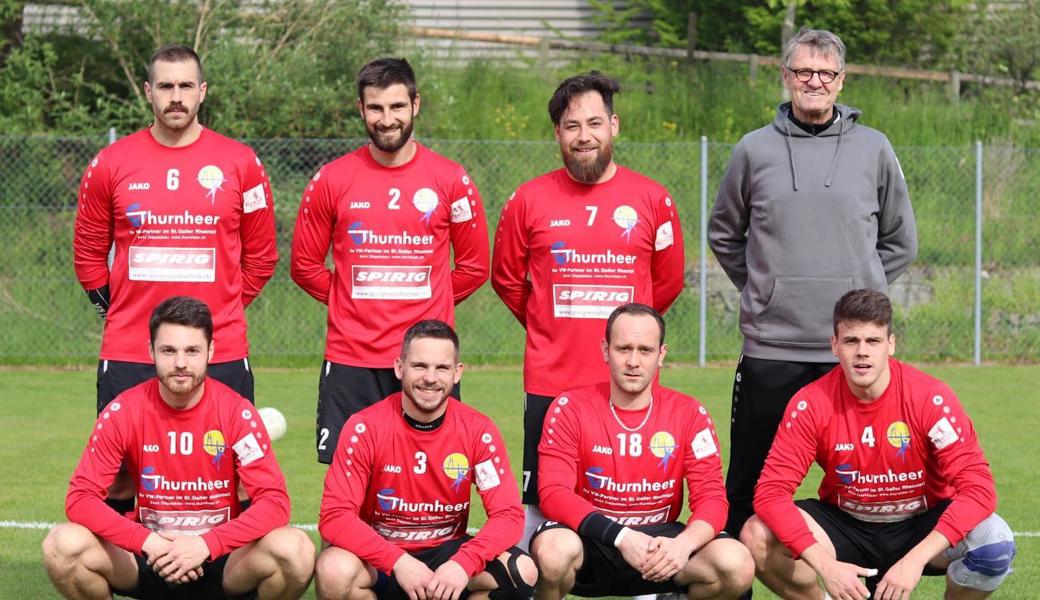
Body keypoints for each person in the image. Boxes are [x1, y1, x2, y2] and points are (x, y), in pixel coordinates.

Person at [707, 28, 918, 544]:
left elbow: (899, 240)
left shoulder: (875, 149)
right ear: (786, 77)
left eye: (825, 73)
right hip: (772, 348)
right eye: (803, 71)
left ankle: (861, 577)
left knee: (868, 482)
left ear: (841, 81)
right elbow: (723, 232)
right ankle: (734, 583)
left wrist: (860, 294)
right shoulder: (753, 150)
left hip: (850, 353)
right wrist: (767, 286)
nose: (814, 81)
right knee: (749, 487)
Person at [492, 72, 685, 544]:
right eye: (571, 125)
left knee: (635, 495)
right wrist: (548, 324)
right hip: (550, 380)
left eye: (594, 123)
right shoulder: (527, 199)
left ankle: (646, 588)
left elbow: (668, 283)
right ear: (557, 132)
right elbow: (506, 279)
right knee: (542, 511)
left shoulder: (653, 199)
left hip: (628, 383)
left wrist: (626, 340)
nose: (584, 136)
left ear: (614, 126)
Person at [741, 289, 1016, 600]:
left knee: (994, 540)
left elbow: (979, 488)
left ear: (891, 344)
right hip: (847, 527)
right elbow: (771, 493)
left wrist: (915, 560)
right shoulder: (810, 404)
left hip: (920, 525)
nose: (862, 352)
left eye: (873, 341)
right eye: (850, 341)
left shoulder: (931, 399)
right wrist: (827, 567)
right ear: (834, 346)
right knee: (757, 534)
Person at [41, 297, 314, 599]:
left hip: (220, 560)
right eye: (168, 351)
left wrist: (207, 544)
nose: (180, 363)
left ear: (210, 351)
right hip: (149, 556)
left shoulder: (238, 413)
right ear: (151, 352)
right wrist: (148, 542)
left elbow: (275, 502)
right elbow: (80, 498)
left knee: (296, 550)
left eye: (192, 350)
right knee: (62, 545)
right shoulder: (123, 411)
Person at [291, 58, 489, 465]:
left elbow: (474, 268)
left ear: (416, 104)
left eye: (397, 107)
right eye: (376, 108)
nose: (387, 119)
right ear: (361, 109)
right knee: (348, 485)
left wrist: (428, 304)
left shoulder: (451, 179)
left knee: (431, 476)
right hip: (352, 358)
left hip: (428, 360)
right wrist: (351, 303)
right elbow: (305, 266)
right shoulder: (332, 179)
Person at [531, 303, 753, 599]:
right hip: (595, 541)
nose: (633, 361)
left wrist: (683, 545)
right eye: (623, 349)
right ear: (605, 351)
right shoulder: (570, 408)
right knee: (553, 552)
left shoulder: (689, 412)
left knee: (736, 563)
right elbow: (553, 493)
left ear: (661, 354)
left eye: (645, 350)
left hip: (663, 543)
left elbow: (712, 498)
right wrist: (621, 537)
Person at [315, 320, 537, 600]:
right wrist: (398, 562)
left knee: (522, 570)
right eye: (419, 366)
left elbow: (508, 515)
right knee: (333, 569)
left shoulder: (478, 431)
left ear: (457, 373)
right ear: (399, 368)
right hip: (380, 558)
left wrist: (462, 563)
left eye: (441, 368)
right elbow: (335, 516)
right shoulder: (364, 427)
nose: (430, 378)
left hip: (447, 556)